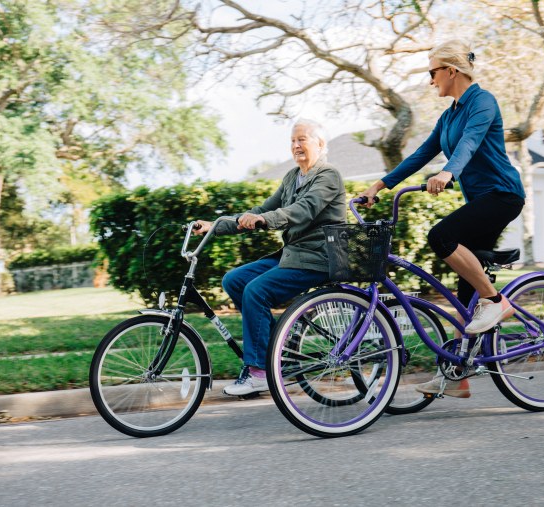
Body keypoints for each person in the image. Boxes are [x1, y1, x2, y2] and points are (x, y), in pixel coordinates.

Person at [358, 40, 525, 397]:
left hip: (503, 196)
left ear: (451, 71)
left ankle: (497, 303)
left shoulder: (483, 102)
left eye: (433, 72)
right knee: (466, 293)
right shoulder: (448, 116)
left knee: (441, 236)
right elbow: (419, 155)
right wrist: (379, 185)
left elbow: (470, 142)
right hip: (480, 200)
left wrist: (449, 173)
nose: (430, 80)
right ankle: (457, 375)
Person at [194, 119, 346, 397]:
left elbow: (304, 210)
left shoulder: (328, 176)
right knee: (235, 280)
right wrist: (214, 225)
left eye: (302, 139)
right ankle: (278, 351)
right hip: (292, 255)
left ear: (320, 144)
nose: (296, 145)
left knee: (257, 290)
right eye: (292, 140)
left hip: (318, 258)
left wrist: (264, 219)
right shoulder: (291, 177)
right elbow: (262, 209)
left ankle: (260, 372)